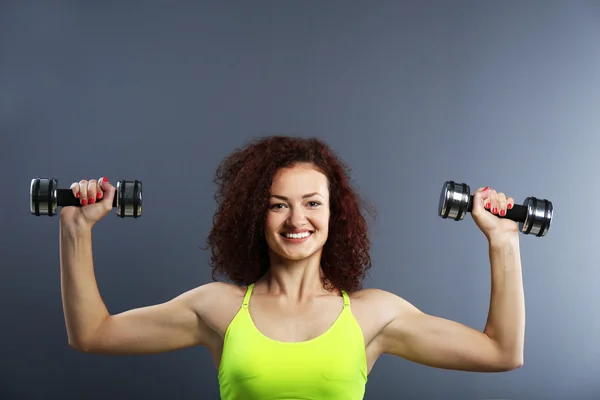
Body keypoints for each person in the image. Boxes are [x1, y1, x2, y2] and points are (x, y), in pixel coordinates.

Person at [59, 136, 524, 399]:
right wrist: (77, 230)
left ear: (333, 214)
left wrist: (502, 242)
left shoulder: (373, 316)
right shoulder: (219, 309)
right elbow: (92, 334)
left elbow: (502, 352)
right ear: (254, 216)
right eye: (278, 204)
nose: (296, 219)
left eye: (311, 203)